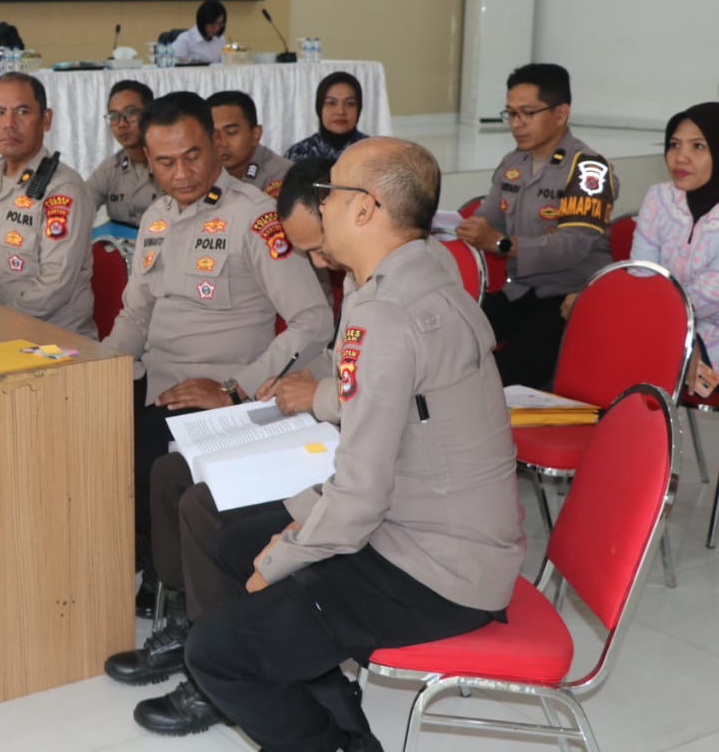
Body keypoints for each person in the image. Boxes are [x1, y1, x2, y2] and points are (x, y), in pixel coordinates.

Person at [177, 137, 526, 749]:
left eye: (331, 190)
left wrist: (280, 558)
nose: (323, 202)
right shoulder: (423, 270)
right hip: (428, 527)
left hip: (437, 570)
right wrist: (291, 533)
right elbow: (377, 463)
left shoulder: (386, 313)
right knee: (236, 544)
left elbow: (362, 497)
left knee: (215, 651)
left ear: (366, 208)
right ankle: (337, 710)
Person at [102, 91, 333, 617]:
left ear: (215, 143)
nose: (182, 173)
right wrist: (99, 374)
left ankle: (176, 589)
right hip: (158, 384)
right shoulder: (155, 219)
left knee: (137, 456)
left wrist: (235, 388)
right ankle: (145, 562)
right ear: (148, 159)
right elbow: (135, 316)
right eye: (165, 162)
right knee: (84, 435)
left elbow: (314, 320)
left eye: (193, 155)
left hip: (221, 397)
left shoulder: (255, 218)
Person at [455, 63, 617, 388]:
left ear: (560, 113)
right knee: (452, 339)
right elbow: (488, 217)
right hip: (519, 291)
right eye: (511, 114)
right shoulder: (513, 163)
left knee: (505, 373)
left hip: (568, 297)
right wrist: (457, 227)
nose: (517, 124)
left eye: (528, 113)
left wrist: (501, 243)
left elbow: (571, 246)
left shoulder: (588, 170)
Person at [0, 72, 96, 336]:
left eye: (22, 112)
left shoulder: (63, 188)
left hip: (51, 339)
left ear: (46, 119)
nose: (9, 124)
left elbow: (56, 283)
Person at [600, 102, 719, 389]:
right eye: (674, 145)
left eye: (698, 146)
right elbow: (642, 272)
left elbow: (711, 294)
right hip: (662, 321)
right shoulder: (659, 198)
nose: (681, 157)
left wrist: (680, 333)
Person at [85, 80, 160, 228]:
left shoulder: (172, 166)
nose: (121, 124)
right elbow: (80, 206)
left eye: (130, 113)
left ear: (150, 114)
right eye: (114, 116)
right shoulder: (110, 169)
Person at [207, 90, 293, 198]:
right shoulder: (202, 172)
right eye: (214, 134)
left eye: (231, 132)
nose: (222, 143)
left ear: (255, 134)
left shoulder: (283, 175)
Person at [284, 72, 370, 163]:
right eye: (331, 103)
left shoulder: (374, 151)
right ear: (319, 107)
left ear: (359, 108)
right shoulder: (299, 153)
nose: (340, 111)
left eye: (350, 103)